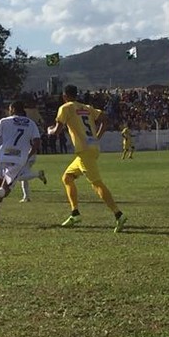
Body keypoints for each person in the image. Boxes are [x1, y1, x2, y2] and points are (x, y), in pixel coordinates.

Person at [48, 84, 128, 232]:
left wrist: (50, 131)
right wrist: (97, 137)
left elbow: (57, 130)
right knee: (67, 178)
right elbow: (104, 119)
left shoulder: (65, 108)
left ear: (64, 96)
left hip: (84, 151)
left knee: (96, 183)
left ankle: (118, 214)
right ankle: (75, 213)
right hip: (91, 148)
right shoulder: (86, 108)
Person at [0, 100, 46, 226]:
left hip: (2, 156)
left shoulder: (4, 121)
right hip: (17, 159)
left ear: (14, 109)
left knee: (0, 184)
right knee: (6, 190)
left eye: (10, 109)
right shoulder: (31, 124)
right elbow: (37, 142)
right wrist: (28, 155)